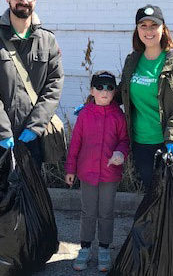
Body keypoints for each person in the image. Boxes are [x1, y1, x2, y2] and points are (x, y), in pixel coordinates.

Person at [119, 4, 173, 217]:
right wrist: (94, 104)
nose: (148, 31)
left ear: (163, 28)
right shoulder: (133, 61)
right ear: (137, 30)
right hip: (145, 146)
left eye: (153, 25)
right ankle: (163, 250)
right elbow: (124, 94)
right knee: (157, 203)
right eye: (143, 25)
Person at [0, 0, 64, 173]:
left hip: (31, 133)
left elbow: (54, 85)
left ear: (35, 0)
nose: (24, 1)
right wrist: (2, 131)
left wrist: (35, 126)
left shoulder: (47, 40)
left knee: (30, 194)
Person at [65, 71, 130, 272]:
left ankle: (104, 248)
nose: (104, 91)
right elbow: (75, 143)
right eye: (100, 87)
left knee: (106, 212)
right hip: (87, 173)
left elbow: (125, 141)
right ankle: (84, 247)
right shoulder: (84, 115)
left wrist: (120, 152)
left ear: (114, 92)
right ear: (92, 90)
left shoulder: (119, 116)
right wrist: (70, 169)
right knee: (88, 212)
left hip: (110, 174)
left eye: (109, 88)